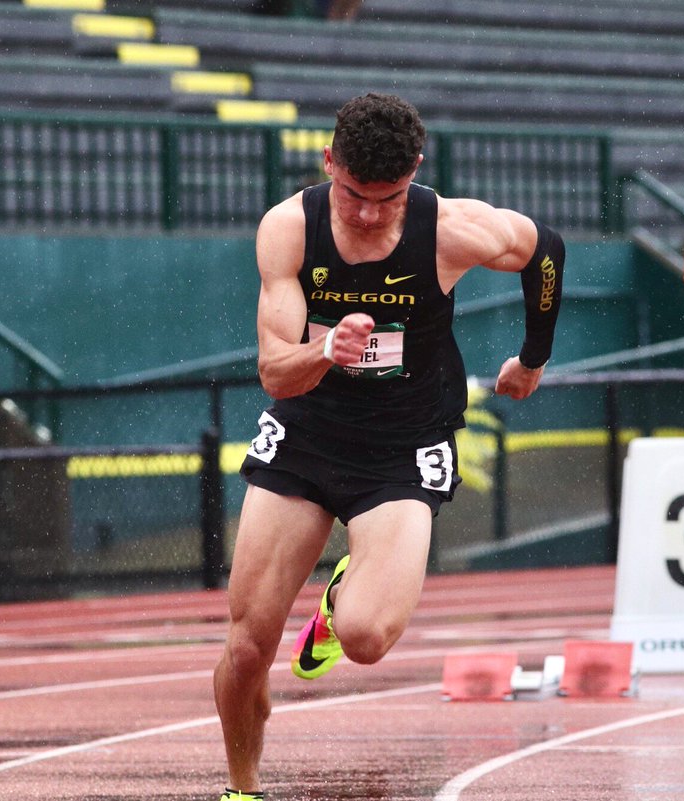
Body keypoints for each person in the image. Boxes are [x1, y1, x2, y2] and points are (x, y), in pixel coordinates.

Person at [214, 92, 564, 801]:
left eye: (389, 198)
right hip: (307, 435)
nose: (370, 214)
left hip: (405, 446)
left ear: (415, 173)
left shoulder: (449, 229)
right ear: (328, 165)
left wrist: (533, 357)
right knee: (249, 643)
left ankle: (342, 594)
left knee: (368, 637)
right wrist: (325, 349)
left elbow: (545, 251)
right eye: (353, 195)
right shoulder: (290, 228)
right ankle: (244, 787)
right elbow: (273, 371)